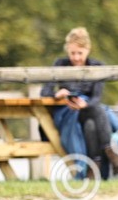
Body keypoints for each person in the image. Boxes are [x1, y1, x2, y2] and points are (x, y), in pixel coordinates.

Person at [40, 27, 113, 179]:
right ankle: (110, 153)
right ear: (67, 50)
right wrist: (57, 95)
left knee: (91, 125)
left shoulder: (97, 66)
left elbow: (96, 97)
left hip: (88, 111)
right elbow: (45, 92)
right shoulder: (60, 64)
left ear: (88, 50)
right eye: (72, 53)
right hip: (68, 112)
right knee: (98, 111)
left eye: (80, 53)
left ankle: (94, 167)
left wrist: (85, 105)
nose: (76, 57)